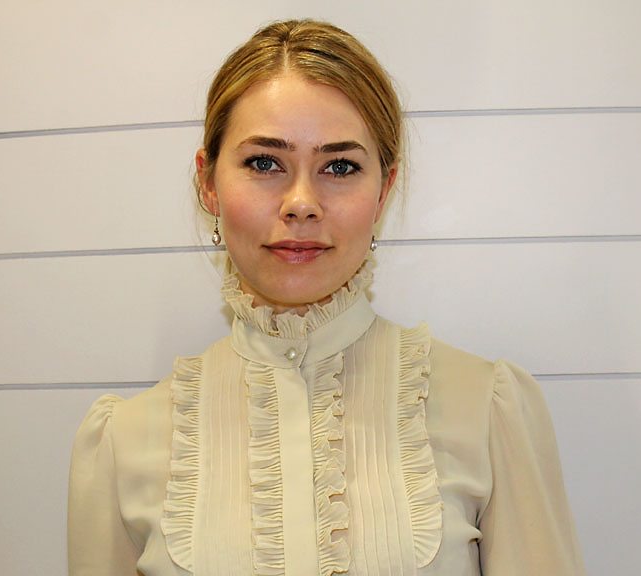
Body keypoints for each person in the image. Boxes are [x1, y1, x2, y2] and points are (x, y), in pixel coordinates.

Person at [68, 19, 584, 576]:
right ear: (209, 183)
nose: (301, 203)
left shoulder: (485, 410)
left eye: (339, 166)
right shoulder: (124, 440)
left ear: (383, 191)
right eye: (264, 163)